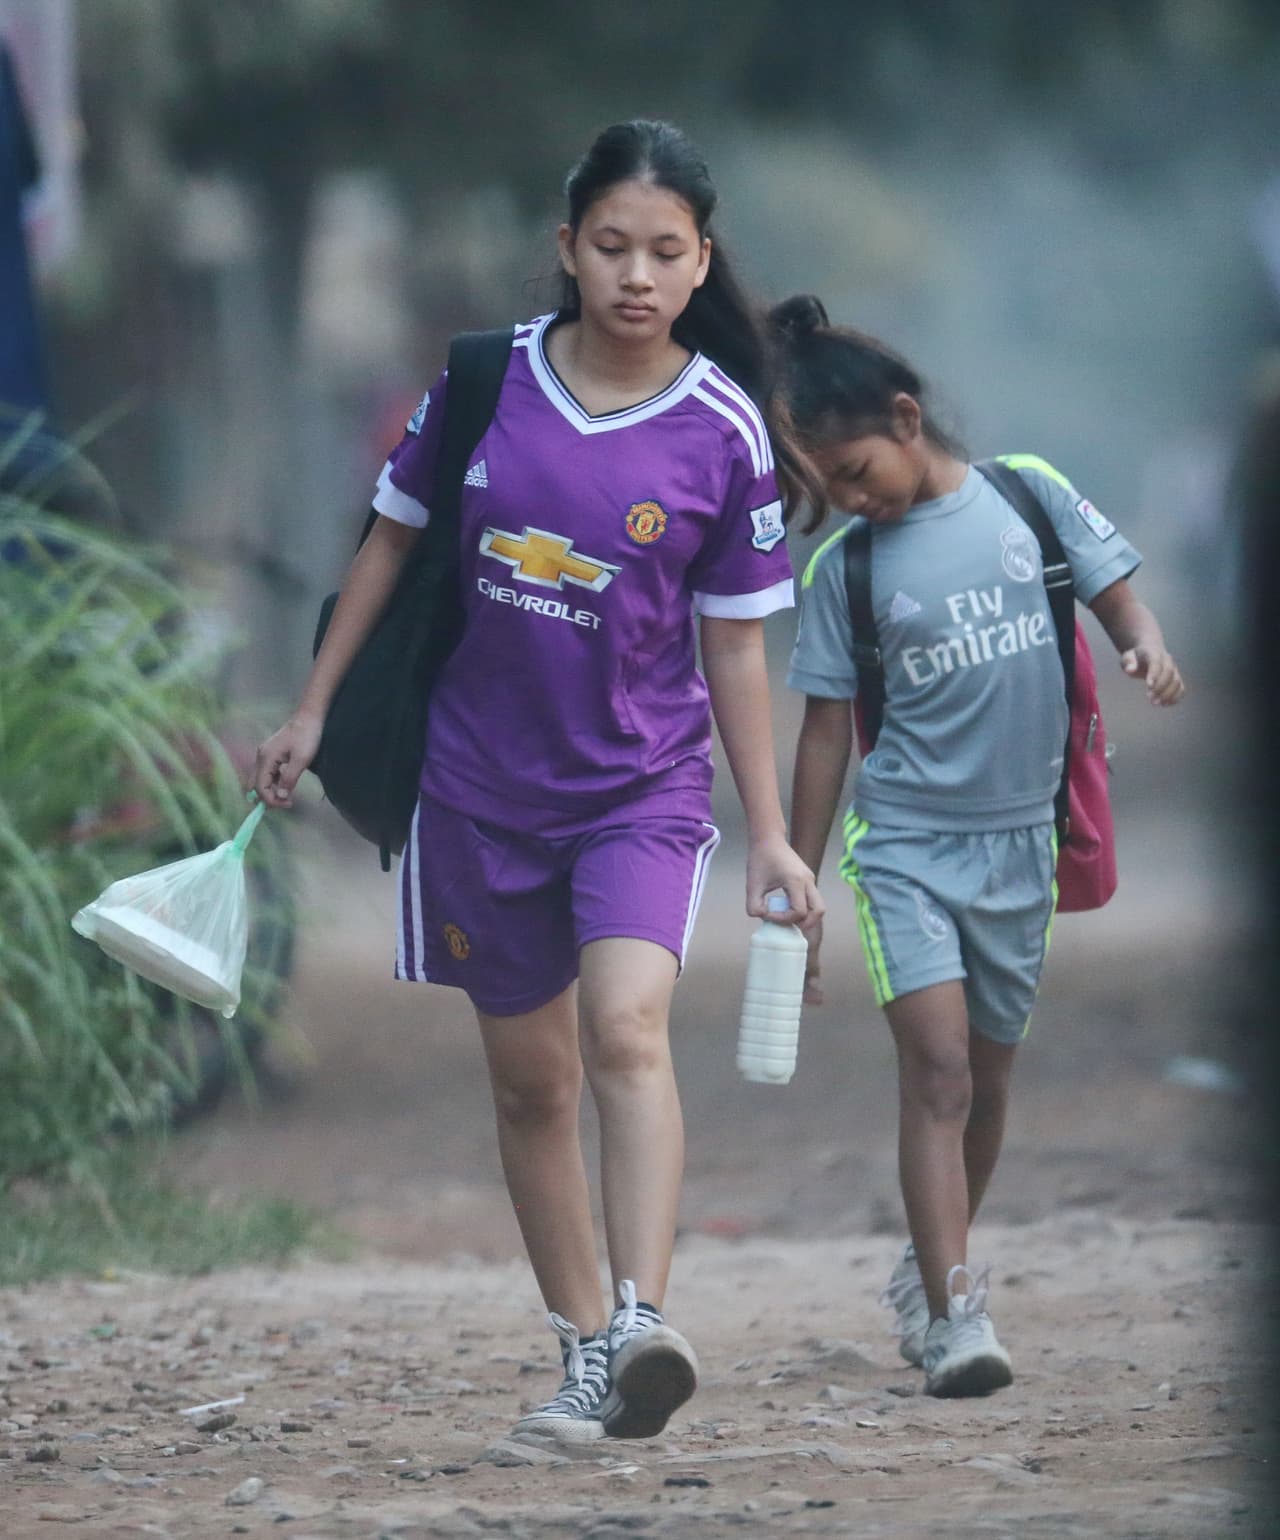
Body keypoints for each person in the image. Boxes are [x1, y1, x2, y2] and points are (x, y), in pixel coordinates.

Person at [254, 122, 823, 1444]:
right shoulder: (479, 382)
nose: (634, 273)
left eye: (663, 252)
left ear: (701, 266)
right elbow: (387, 548)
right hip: (476, 790)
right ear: (565, 249)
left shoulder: (724, 428)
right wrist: (311, 707)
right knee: (531, 1086)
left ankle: (642, 1319)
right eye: (610, 245)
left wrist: (778, 840)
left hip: (641, 788)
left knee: (626, 1029)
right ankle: (584, 1351)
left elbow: (736, 645)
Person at [772, 295, 1184, 1398]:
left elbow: (1114, 598)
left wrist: (1144, 647)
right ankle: (957, 1312)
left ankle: (923, 1264)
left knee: (989, 1080)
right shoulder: (842, 575)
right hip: (903, 846)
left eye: (854, 473)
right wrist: (795, 872)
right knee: (939, 1070)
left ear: (906, 418)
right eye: (830, 491)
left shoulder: (1027, 496)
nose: (850, 502)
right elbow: (820, 732)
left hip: (1020, 848)